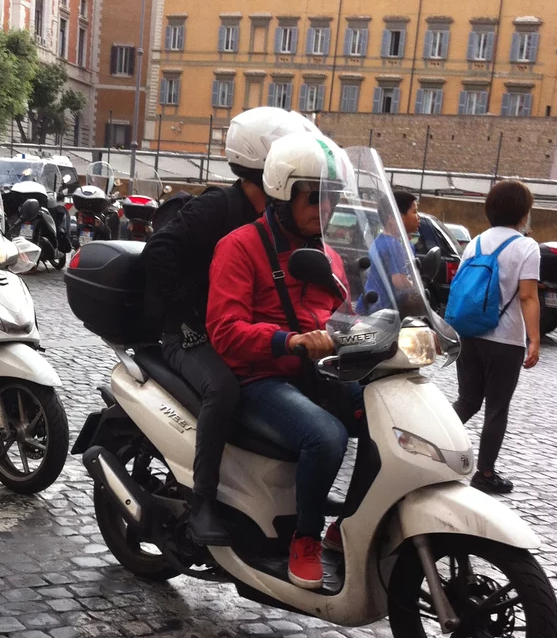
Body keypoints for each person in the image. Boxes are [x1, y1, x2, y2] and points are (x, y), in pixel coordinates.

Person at [143, 107, 321, 546]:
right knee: (223, 388)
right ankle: (202, 501)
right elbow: (157, 253)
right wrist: (193, 313)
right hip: (191, 333)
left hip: (245, 328)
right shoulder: (217, 210)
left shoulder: (286, 220)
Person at [207, 134, 362, 591]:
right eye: (315, 198)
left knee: (387, 421)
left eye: (331, 199)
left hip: (318, 373)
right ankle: (305, 539)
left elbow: (344, 313)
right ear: (282, 191)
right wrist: (289, 340)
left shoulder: (327, 254)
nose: (325, 209)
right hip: (260, 376)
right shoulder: (239, 247)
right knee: (326, 436)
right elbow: (225, 331)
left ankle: (347, 525)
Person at [452, 179, 540, 494]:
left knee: (468, 400)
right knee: (497, 407)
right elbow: (528, 297)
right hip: (504, 340)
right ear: (523, 212)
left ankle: (426, 441)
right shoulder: (527, 246)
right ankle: (485, 474)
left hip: (468, 334)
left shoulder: (474, 243)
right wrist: (535, 339)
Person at [363, 189, 420, 310]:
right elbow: (400, 282)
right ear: (393, 218)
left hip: (376, 307)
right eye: (414, 212)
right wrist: (416, 291)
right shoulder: (393, 245)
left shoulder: (386, 241)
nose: (418, 217)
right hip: (380, 311)